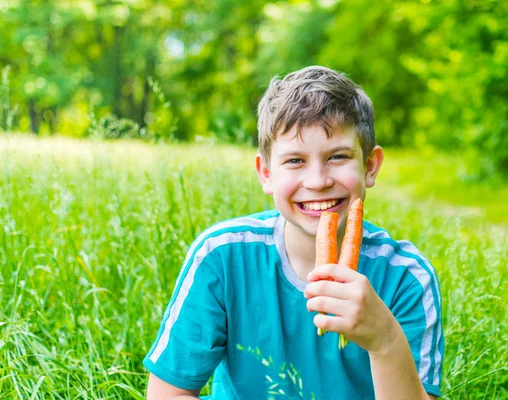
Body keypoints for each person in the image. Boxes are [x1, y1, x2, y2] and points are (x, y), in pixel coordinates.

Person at [143, 66, 443, 400]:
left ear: (370, 166)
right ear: (266, 173)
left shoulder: (406, 276)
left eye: (338, 156)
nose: (317, 181)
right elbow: (168, 393)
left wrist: (385, 339)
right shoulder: (222, 257)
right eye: (296, 161)